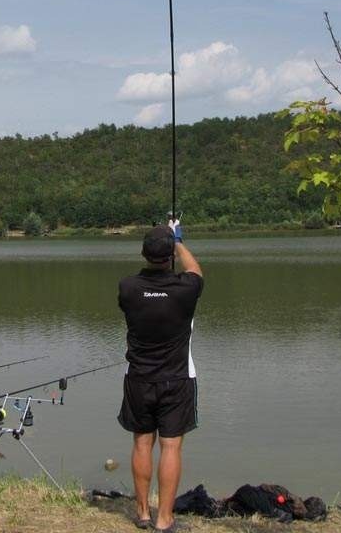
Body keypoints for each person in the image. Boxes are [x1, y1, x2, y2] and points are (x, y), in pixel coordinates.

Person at [117, 220, 203, 533]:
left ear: (142, 253)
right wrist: (178, 239)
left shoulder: (127, 287)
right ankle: (164, 519)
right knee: (171, 447)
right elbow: (195, 270)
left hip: (139, 378)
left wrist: (169, 243)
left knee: (142, 443)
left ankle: (142, 513)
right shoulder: (186, 289)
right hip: (177, 380)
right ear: (169, 256)